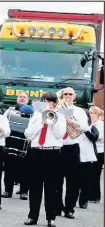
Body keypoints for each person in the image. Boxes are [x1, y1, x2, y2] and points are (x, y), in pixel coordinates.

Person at [24, 92, 66, 227]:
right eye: (44, 101)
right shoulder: (36, 115)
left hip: (52, 153)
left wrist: (52, 122)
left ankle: (51, 218)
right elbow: (28, 134)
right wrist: (41, 123)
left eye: (49, 102)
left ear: (54, 103)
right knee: (34, 187)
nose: (47, 104)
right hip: (36, 153)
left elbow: (60, 134)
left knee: (51, 188)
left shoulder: (60, 116)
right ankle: (32, 217)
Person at [55, 87, 89, 219]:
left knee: (73, 182)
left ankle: (69, 209)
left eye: (70, 94)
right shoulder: (56, 110)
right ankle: (57, 207)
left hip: (73, 147)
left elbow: (85, 127)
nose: (68, 96)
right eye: (65, 94)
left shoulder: (79, 111)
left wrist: (71, 121)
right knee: (56, 181)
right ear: (61, 96)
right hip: (58, 148)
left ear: (75, 96)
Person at [2, 91, 30, 200]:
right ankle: (7, 191)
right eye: (20, 97)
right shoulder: (9, 111)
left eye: (24, 97)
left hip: (25, 144)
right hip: (11, 142)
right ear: (17, 99)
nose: (22, 99)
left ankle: (24, 192)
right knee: (9, 167)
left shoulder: (34, 113)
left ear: (27, 100)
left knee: (25, 169)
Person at [77, 109, 99, 209]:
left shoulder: (92, 127)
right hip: (76, 156)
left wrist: (86, 130)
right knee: (74, 181)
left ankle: (83, 201)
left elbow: (94, 138)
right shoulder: (74, 127)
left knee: (85, 181)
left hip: (88, 158)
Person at [88, 106, 104, 203]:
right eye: (89, 112)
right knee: (89, 174)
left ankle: (96, 196)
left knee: (96, 175)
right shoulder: (90, 124)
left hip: (99, 151)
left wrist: (91, 136)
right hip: (91, 151)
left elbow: (101, 137)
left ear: (97, 114)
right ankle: (89, 194)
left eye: (92, 113)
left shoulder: (100, 124)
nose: (90, 115)